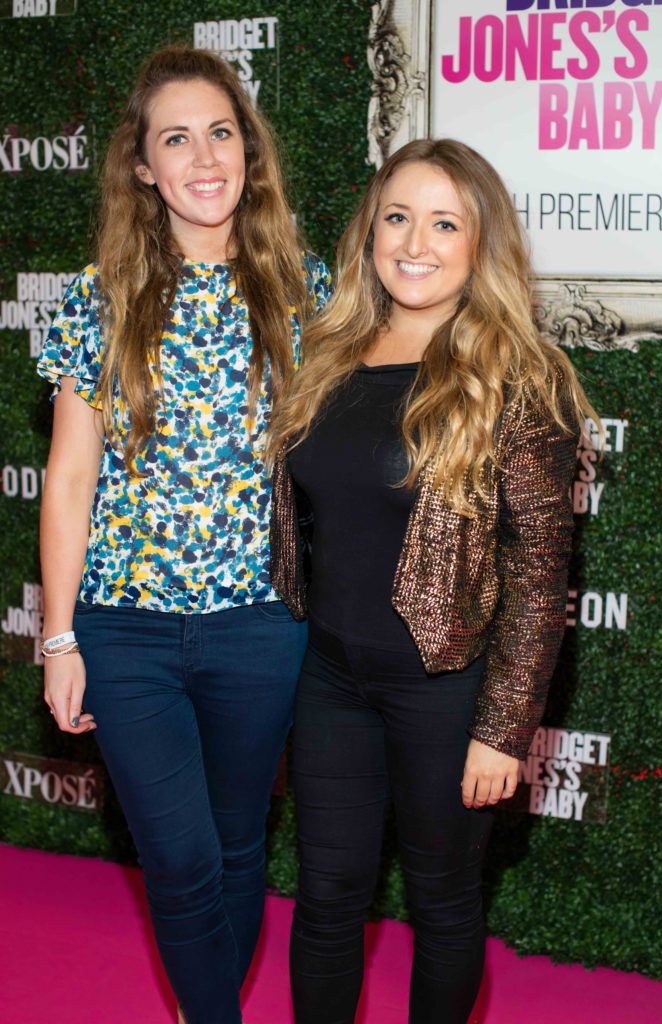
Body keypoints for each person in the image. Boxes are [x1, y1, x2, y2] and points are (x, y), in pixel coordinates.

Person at [268, 138, 597, 1024]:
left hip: (446, 688)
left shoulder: (519, 380)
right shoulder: (329, 351)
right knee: (327, 896)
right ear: (369, 231)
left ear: (479, 242)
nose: (415, 241)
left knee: (442, 902)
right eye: (397, 217)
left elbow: (538, 577)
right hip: (329, 676)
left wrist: (501, 731)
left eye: (444, 222)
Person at [37, 44, 330, 1024]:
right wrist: (59, 634)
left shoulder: (307, 293)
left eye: (220, 132)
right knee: (179, 852)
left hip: (262, 624)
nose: (203, 157)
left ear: (246, 150)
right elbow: (70, 477)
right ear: (142, 166)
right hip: (125, 629)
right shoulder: (99, 298)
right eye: (176, 137)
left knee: (240, 844)